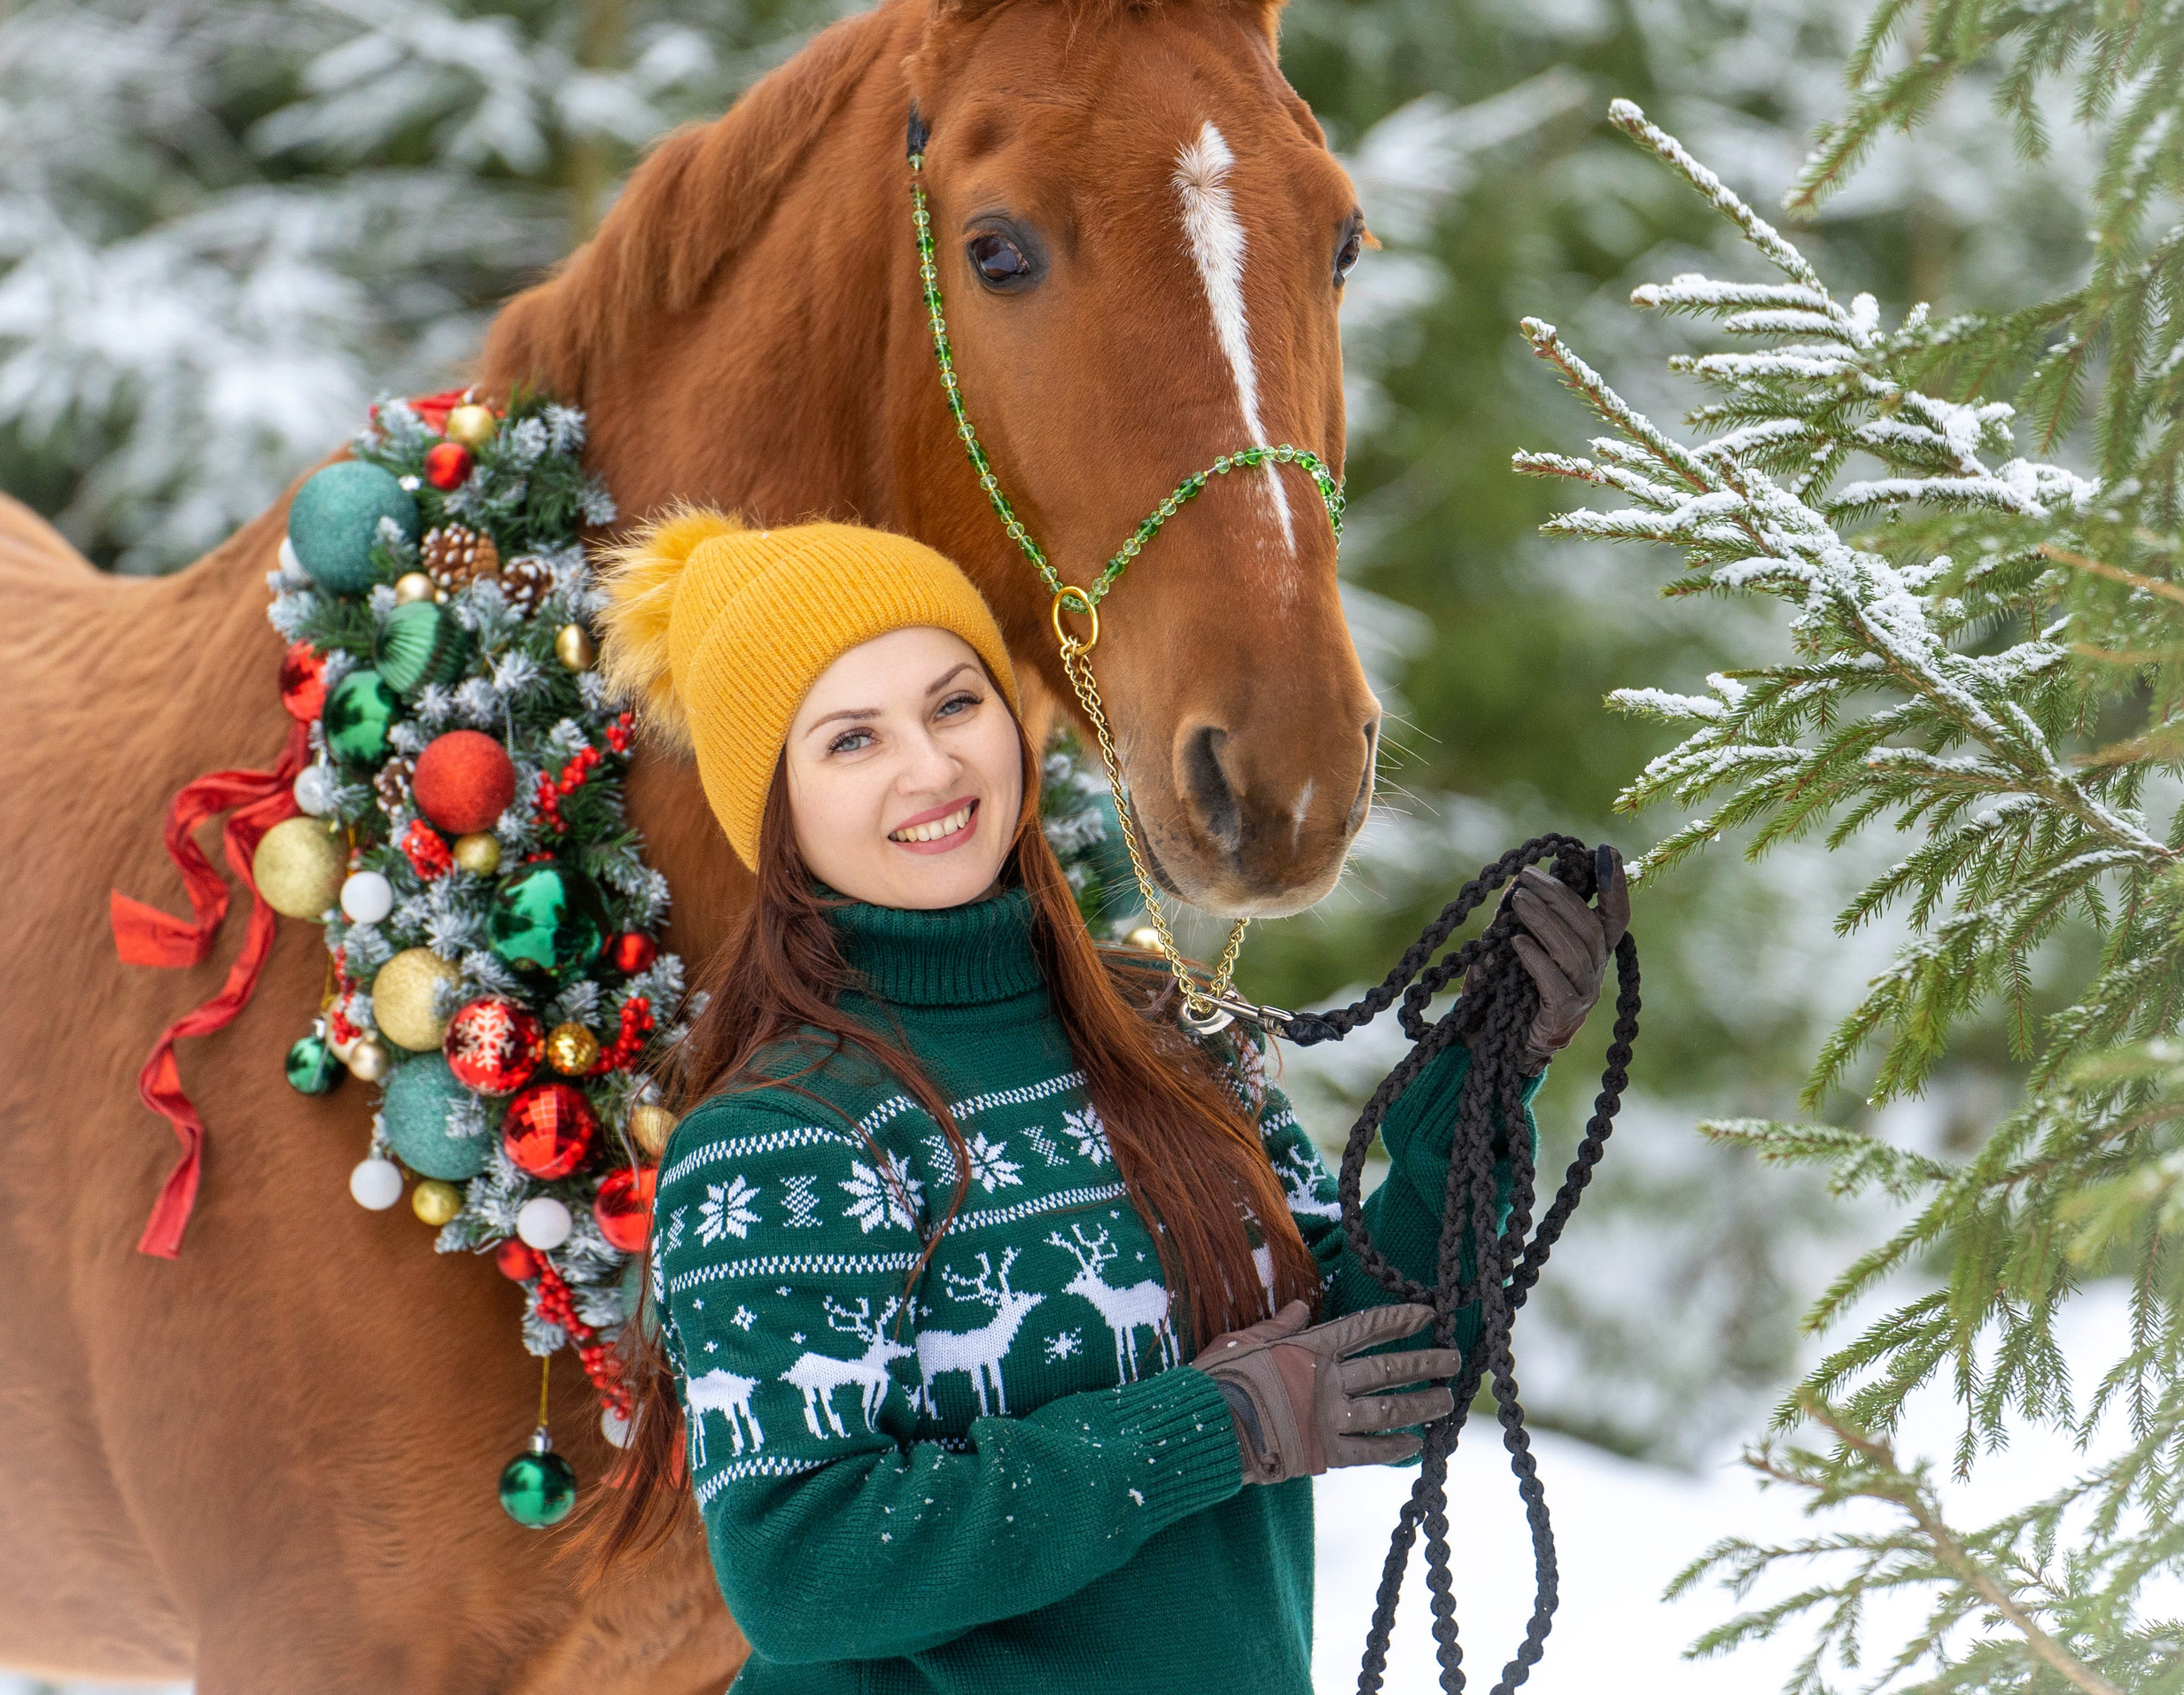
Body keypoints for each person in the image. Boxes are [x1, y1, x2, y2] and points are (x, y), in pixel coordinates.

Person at [592, 510, 1628, 1692]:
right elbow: (805, 1562)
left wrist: (1482, 1083)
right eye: (850, 741)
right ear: (774, 807)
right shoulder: (779, 1142)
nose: (930, 768)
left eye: (953, 703)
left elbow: (1389, 1357)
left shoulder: (1166, 1041)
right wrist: (1213, 1428)